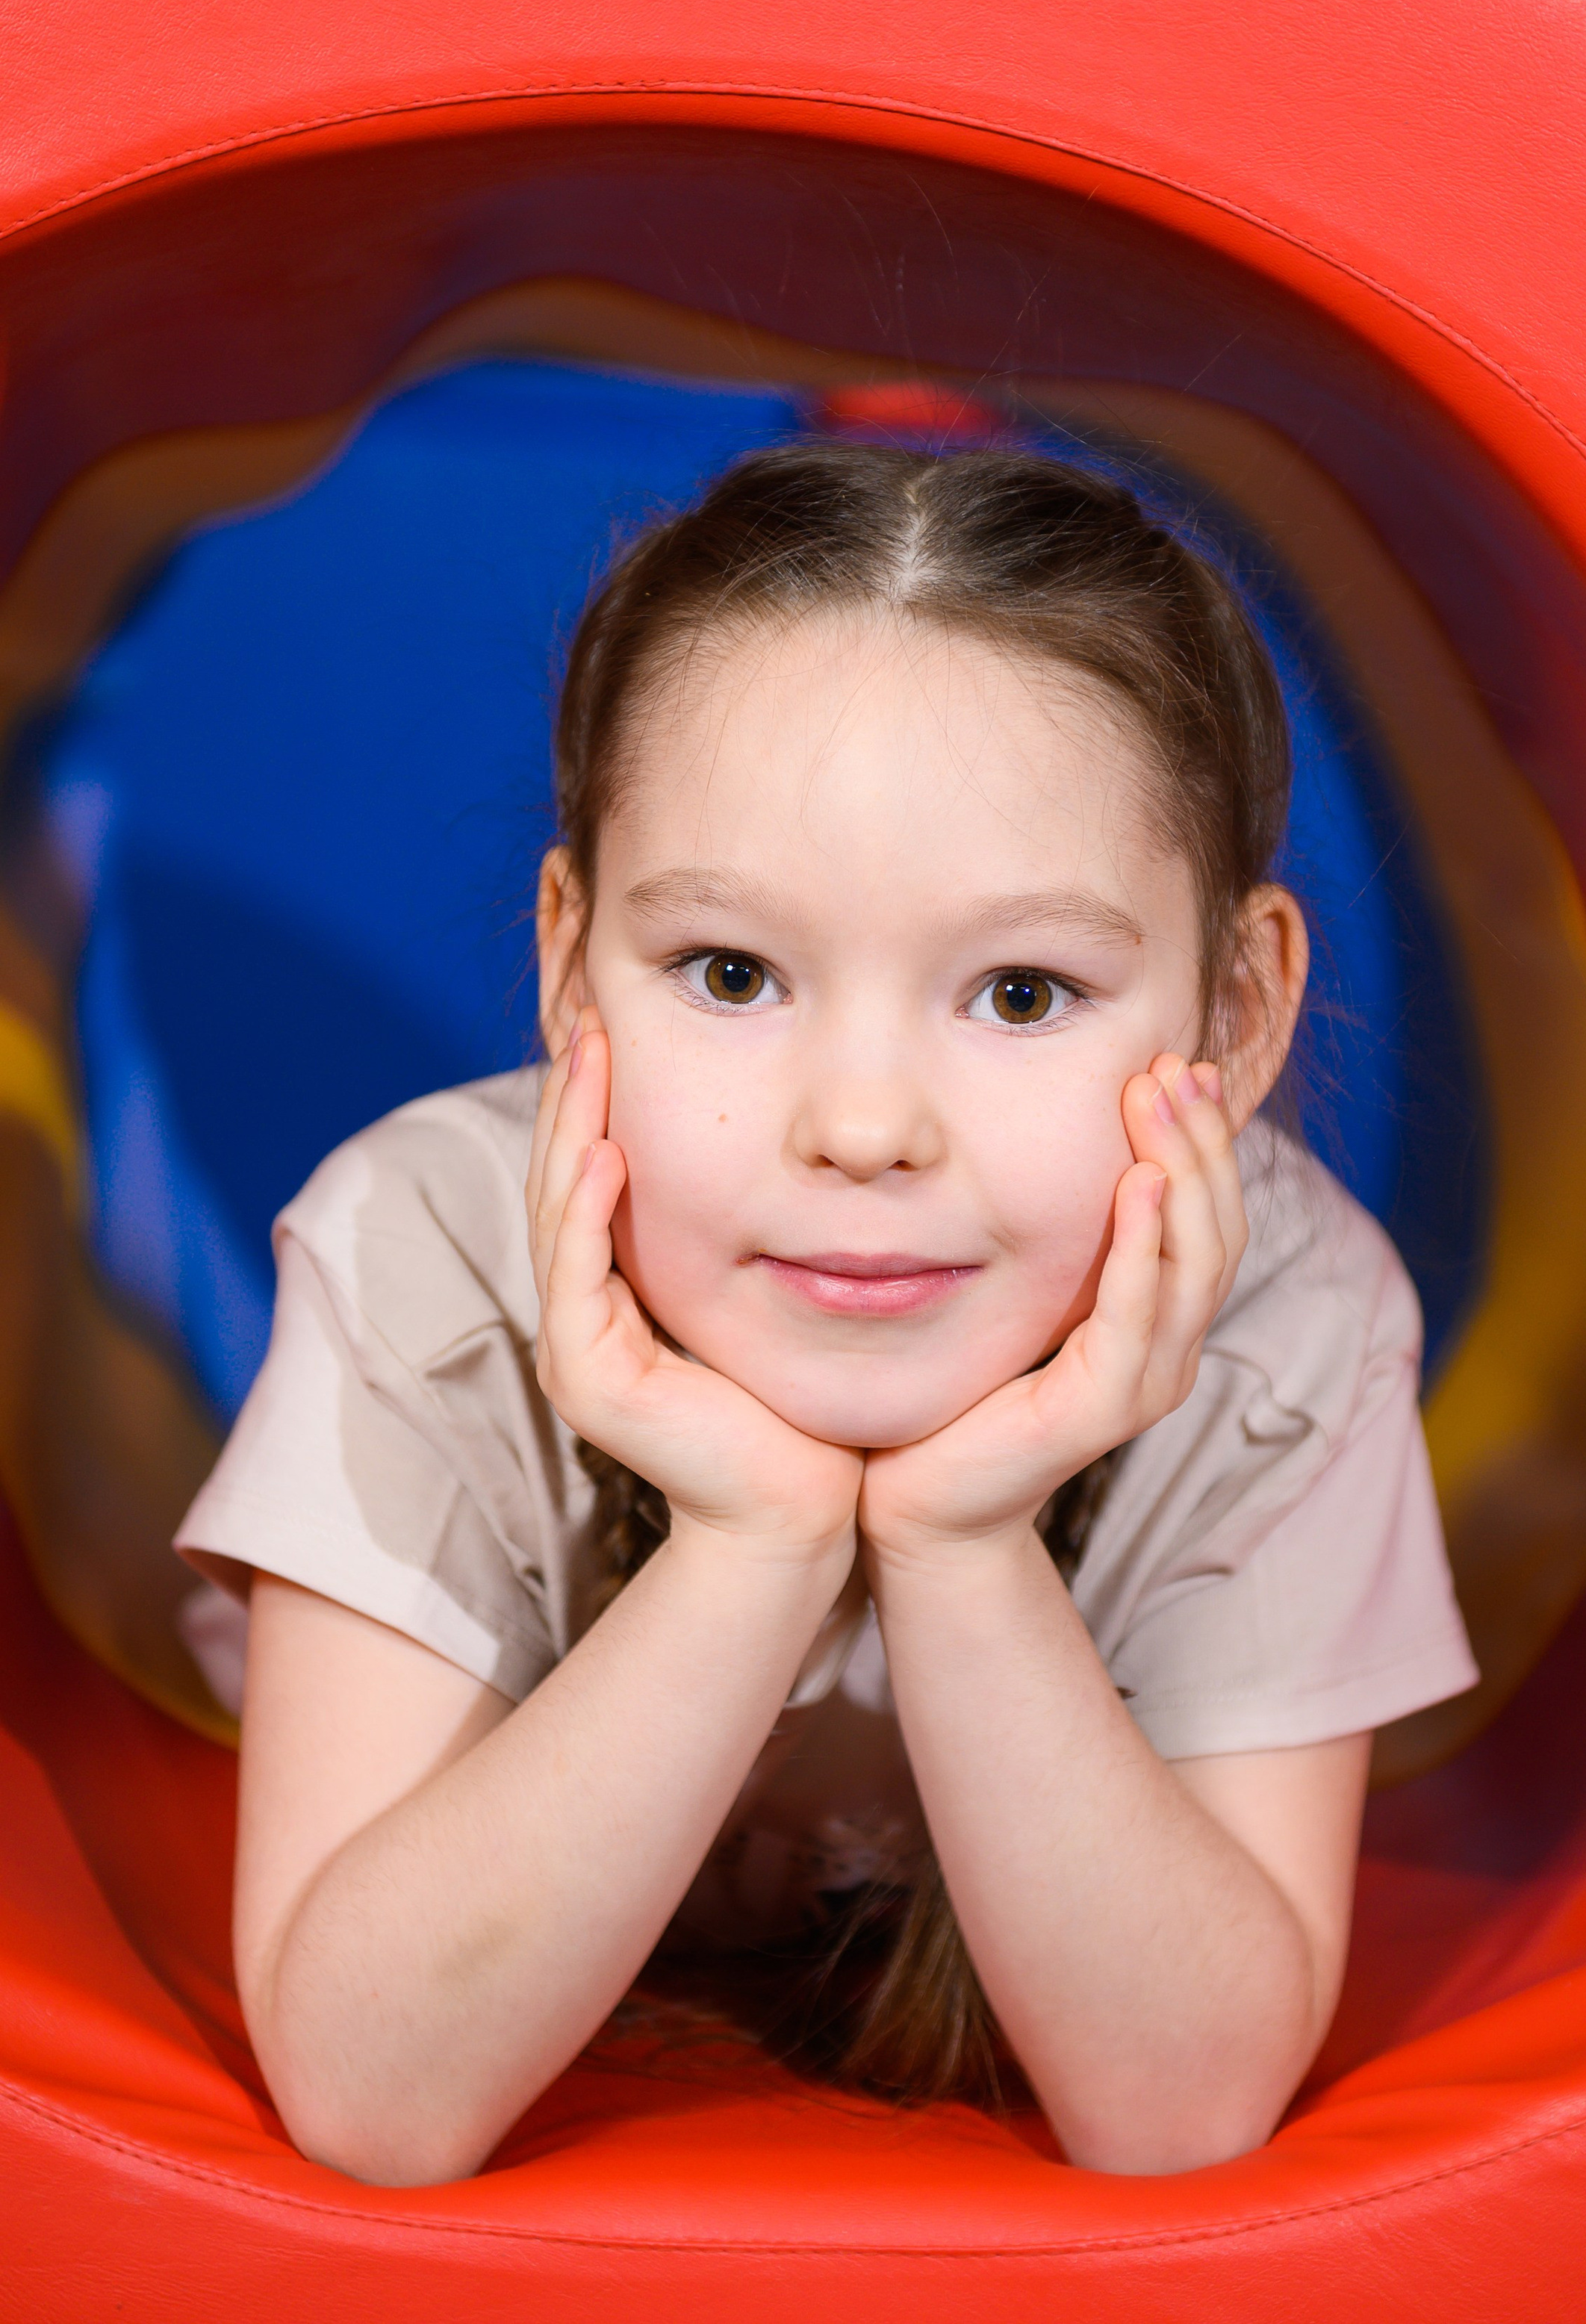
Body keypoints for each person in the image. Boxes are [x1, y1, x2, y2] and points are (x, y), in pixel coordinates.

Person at [177, 440, 1476, 2187]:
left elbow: (1174, 2111)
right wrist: (744, 1537)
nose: (860, 1126)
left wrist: (962, 1540)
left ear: (1233, 1016)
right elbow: (371, 2097)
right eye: (730, 973)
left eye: (1021, 991)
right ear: (570, 970)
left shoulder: (1289, 1320)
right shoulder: (430, 1245)